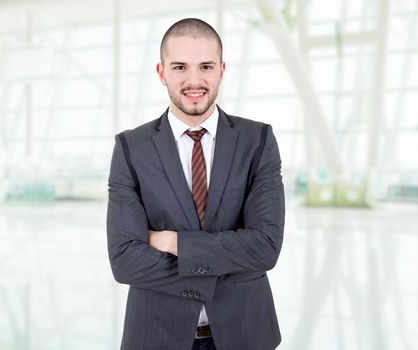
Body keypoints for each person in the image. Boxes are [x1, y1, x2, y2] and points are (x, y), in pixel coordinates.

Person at [107, 18, 285, 350]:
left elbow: (265, 247)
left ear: (221, 70)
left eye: (205, 66)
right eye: (179, 67)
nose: (193, 80)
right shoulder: (131, 148)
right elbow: (124, 260)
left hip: (245, 335)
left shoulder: (257, 141)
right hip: (155, 336)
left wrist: (171, 242)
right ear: (162, 73)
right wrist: (225, 263)